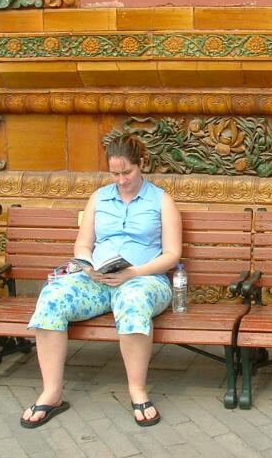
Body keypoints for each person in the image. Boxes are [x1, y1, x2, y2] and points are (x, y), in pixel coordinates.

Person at [20, 135, 181, 428]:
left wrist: (134, 272)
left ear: (141, 164)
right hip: (98, 280)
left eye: (127, 172)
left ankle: (137, 391)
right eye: (115, 174)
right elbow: (82, 244)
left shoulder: (161, 200)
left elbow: (172, 255)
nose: (121, 180)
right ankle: (52, 393)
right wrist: (88, 265)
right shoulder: (99, 198)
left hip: (144, 280)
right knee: (52, 296)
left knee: (133, 301)